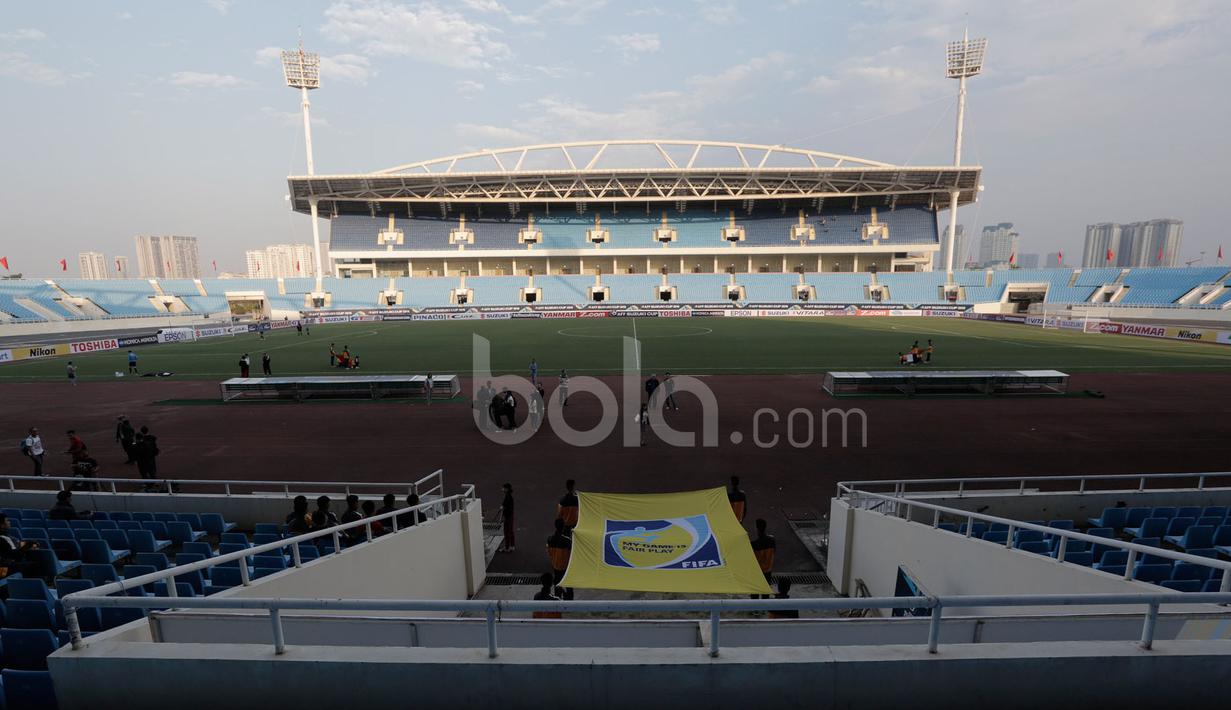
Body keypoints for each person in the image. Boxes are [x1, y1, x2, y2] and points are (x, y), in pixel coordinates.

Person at [0, 513, 40, 577]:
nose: (9, 522)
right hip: (3, 570)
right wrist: (28, 545)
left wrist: (28, 544)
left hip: (4, 567)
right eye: (7, 520)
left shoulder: (6, 537)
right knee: (36, 565)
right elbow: (16, 556)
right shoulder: (3, 538)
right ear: (2, 525)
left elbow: (17, 544)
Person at [546, 518, 574, 599]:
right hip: (565, 566)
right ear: (563, 527)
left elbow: (549, 552)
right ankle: (569, 600)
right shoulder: (567, 541)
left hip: (555, 565)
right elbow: (571, 554)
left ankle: (558, 599)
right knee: (569, 585)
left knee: (557, 583)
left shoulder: (550, 539)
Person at [750, 518, 776, 599]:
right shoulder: (772, 541)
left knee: (755, 592)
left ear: (757, 529)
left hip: (757, 571)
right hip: (768, 570)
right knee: (765, 593)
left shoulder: (754, 544)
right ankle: (764, 608)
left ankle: (755, 609)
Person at [500, 483, 516, 552]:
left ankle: (507, 547)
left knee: (507, 532)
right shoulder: (509, 496)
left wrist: (503, 508)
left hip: (508, 517)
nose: (502, 489)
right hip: (510, 516)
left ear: (506, 489)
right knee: (511, 531)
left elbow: (506, 507)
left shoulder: (508, 497)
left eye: (503, 488)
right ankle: (512, 546)